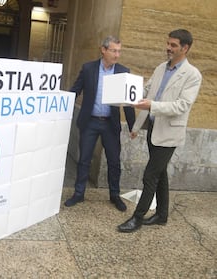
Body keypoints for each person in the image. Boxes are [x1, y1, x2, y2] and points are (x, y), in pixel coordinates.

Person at [118, 29, 202, 232]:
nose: (168, 48)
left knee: (150, 175)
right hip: (154, 129)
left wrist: (152, 106)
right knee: (160, 173)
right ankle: (162, 215)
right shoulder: (160, 68)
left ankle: (137, 218)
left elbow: (182, 106)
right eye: (168, 44)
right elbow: (147, 91)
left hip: (170, 134)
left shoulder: (192, 75)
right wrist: (127, 93)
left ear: (185, 48)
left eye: (173, 45)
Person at [64, 36, 135, 211]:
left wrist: (133, 126)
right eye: (114, 50)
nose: (117, 55)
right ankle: (79, 193)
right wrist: (59, 106)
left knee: (114, 161)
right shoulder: (88, 69)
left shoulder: (123, 71)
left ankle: (115, 195)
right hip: (90, 122)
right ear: (103, 50)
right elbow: (75, 90)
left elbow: (128, 102)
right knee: (84, 160)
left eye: (119, 51)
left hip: (110, 124)